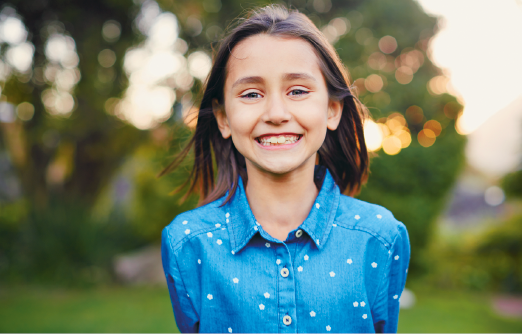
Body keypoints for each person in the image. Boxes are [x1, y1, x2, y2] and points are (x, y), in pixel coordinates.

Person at [160, 4, 410, 333]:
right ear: (223, 118)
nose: (276, 113)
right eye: (251, 93)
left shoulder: (380, 237)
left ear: (332, 109)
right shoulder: (187, 243)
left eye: (297, 91)